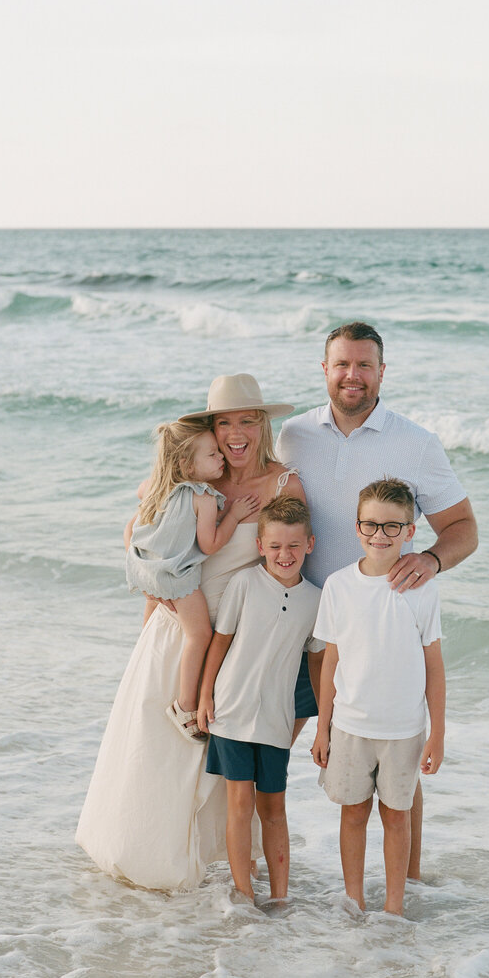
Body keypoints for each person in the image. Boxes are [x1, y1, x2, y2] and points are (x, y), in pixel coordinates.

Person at [76, 374, 304, 892]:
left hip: (236, 643)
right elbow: (141, 532)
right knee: (159, 750)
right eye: (225, 422)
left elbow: (291, 564)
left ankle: (220, 869)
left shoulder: (283, 484)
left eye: (247, 419)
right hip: (178, 626)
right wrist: (154, 595)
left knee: (215, 764)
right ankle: (148, 858)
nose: (236, 433)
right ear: (211, 430)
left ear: (263, 424)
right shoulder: (191, 479)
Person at [275, 322, 477, 878]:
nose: (352, 375)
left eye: (365, 365)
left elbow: (463, 527)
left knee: (396, 767)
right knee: (270, 745)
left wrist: (431, 560)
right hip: (305, 622)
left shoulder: (414, 443)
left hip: (381, 635)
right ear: (324, 369)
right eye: (342, 364)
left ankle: (407, 887)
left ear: (383, 372)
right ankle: (246, 865)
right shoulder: (292, 435)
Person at [311, 478, 445, 915]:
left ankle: (393, 909)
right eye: (370, 525)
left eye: (392, 527)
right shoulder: (338, 586)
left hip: (404, 730)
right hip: (349, 726)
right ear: (356, 528)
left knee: (396, 818)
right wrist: (322, 727)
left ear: (410, 532)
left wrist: (437, 733)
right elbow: (331, 660)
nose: (380, 536)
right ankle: (352, 902)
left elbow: (434, 666)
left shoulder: (421, 588)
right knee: (352, 816)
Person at [197, 497, 323, 903]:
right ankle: (245, 894)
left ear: (310, 545)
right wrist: (204, 696)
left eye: (292, 546)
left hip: (276, 719)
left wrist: (326, 722)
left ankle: (281, 898)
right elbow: (220, 641)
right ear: (260, 546)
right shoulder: (245, 584)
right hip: (231, 710)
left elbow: (318, 663)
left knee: (274, 809)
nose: (283, 555)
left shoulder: (317, 600)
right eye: (274, 546)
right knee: (238, 802)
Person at [125, 418, 258, 740]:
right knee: (199, 635)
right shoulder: (204, 498)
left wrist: (135, 555)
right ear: (186, 463)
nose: (221, 458)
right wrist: (236, 517)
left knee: (153, 614)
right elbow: (210, 544)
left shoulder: (155, 487)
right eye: (212, 454)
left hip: (145, 567)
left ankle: (145, 662)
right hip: (175, 576)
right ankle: (184, 706)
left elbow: (133, 521)